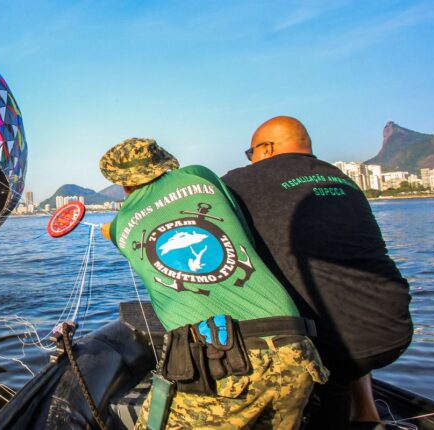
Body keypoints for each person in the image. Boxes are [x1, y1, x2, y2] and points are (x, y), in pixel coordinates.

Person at [100, 138, 327, 430]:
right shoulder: (199, 175)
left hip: (224, 361)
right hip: (294, 347)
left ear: (122, 183)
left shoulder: (121, 224)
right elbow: (243, 231)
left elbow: (125, 236)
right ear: (163, 161)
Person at [221, 116, 413, 429]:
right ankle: (366, 413)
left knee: (324, 358)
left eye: (251, 153)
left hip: (329, 344)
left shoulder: (243, 180)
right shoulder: (341, 178)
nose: (250, 161)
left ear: (266, 148)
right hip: (393, 328)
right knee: (341, 304)